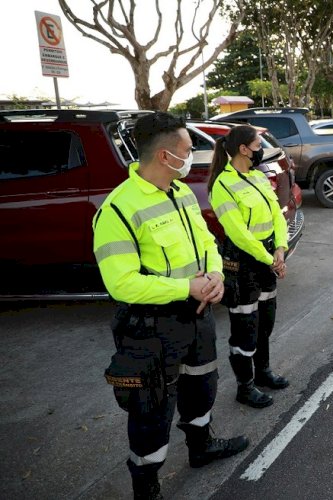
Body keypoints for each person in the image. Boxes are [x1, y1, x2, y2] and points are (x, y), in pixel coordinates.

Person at [93, 112, 249, 500]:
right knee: (152, 410)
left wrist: (214, 276)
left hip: (197, 317)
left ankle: (201, 446)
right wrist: (188, 288)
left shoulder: (180, 193)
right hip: (151, 328)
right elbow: (122, 283)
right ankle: (146, 486)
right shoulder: (117, 210)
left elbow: (208, 243)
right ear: (165, 156)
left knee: (202, 388)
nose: (191, 155)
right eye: (186, 149)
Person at [207, 125, 290, 409]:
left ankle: (263, 373)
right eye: (258, 144)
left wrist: (280, 247)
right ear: (244, 149)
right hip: (242, 263)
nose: (261, 149)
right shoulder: (222, 185)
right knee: (245, 328)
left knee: (265, 322)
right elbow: (239, 234)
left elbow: (277, 213)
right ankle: (245, 386)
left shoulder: (257, 176)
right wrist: (270, 259)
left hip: (268, 256)